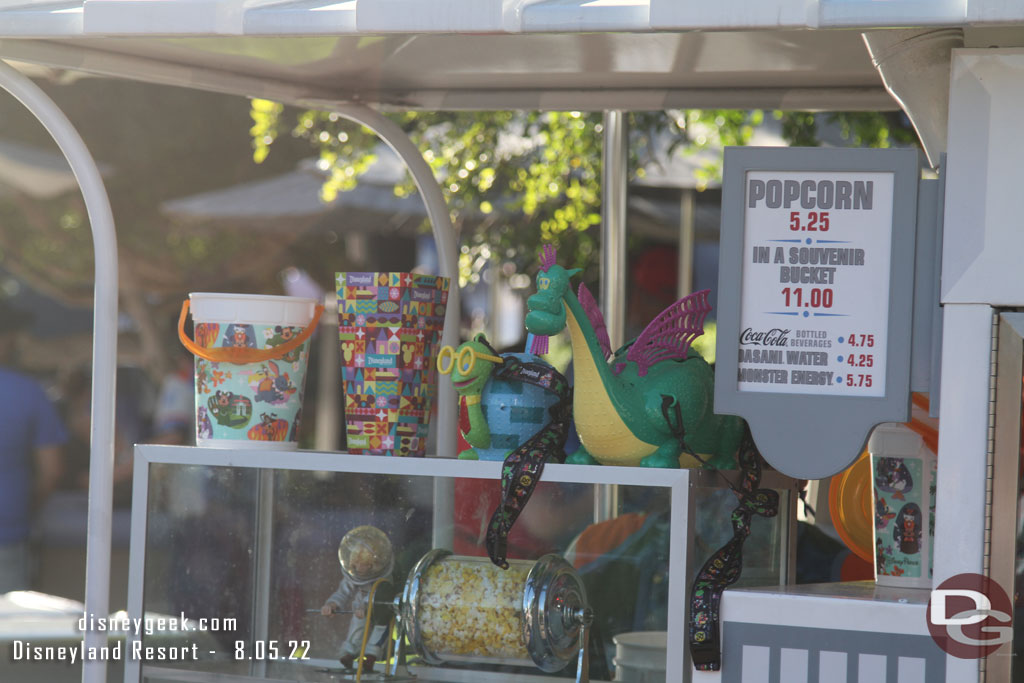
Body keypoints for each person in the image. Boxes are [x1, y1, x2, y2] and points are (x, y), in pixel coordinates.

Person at [0, 299, 67, 593]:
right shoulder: (28, 392)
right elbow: (52, 470)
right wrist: (28, 506)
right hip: (9, 533)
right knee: (10, 628)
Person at [320, 525, 394, 672]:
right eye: (356, 563)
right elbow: (343, 592)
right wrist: (332, 604)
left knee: (381, 628)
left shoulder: (384, 580)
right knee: (357, 626)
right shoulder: (353, 576)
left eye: (363, 563)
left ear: (373, 563)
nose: (359, 567)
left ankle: (371, 656)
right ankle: (349, 653)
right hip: (360, 608)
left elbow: (381, 594)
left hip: (381, 609)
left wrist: (368, 607)